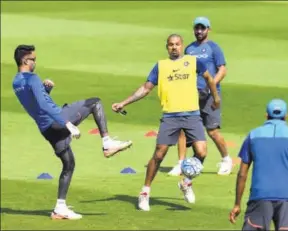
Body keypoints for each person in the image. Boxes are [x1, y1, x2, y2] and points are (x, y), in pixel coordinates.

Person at [12, 45, 133, 220]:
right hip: (57, 121)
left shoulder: (17, 82)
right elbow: (45, 106)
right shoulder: (32, 79)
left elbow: (35, 103)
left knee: (69, 164)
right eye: (33, 59)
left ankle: (59, 208)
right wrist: (67, 123)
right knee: (95, 102)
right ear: (25, 60)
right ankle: (107, 143)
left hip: (46, 130)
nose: (35, 63)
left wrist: (46, 90)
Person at [112, 34, 221, 211]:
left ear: (182, 45)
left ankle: (186, 182)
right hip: (170, 116)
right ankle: (145, 192)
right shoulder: (161, 66)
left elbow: (209, 78)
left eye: (177, 44)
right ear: (167, 47)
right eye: (171, 45)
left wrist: (215, 98)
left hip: (192, 115)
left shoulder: (193, 62)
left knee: (201, 151)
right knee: (159, 154)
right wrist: (124, 102)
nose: (174, 47)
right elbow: (146, 88)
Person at [229, 99, 288, 230]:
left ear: (266, 115)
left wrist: (237, 204)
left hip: (259, 196)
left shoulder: (253, 135)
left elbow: (242, 174)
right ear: (286, 116)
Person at [168, 16, 232, 176]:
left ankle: (226, 159)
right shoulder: (189, 49)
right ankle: (181, 163)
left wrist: (210, 87)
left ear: (208, 30)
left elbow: (222, 70)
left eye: (202, 28)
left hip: (210, 95)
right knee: (182, 128)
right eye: (197, 28)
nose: (199, 31)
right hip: (191, 94)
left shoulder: (213, 48)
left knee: (212, 131)